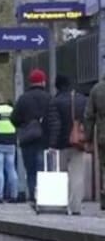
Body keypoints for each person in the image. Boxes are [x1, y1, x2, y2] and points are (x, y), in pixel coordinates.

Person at [47, 76, 89, 215]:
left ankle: (62, 204)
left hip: (61, 145)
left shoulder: (55, 101)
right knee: (77, 175)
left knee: (61, 175)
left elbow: (55, 125)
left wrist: (52, 144)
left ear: (57, 86)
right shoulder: (82, 99)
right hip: (78, 143)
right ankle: (76, 207)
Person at [11, 69, 52, 202]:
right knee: (43, 169)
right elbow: (53, 118)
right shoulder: (49, 97)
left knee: (31, 171)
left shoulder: (23, 98)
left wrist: (24, 125)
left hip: (28, 140)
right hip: (45, 139)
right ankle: (44, 196)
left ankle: (34, 196)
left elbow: (14, 118)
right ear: (43, 81)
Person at [84, 75, 105, 211]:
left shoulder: (97, 89)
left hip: (103, 135)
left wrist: (88, 138)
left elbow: (89, 115)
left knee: (103, 167)